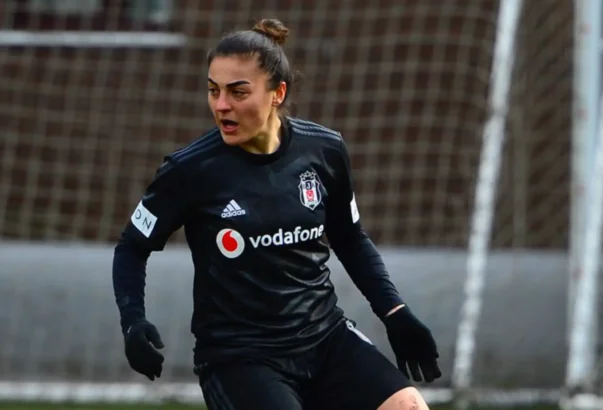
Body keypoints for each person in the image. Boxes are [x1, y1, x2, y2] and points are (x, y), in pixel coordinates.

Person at [112, 17, 441, 410]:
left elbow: (350, 238)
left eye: (238, 92)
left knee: (409, 406)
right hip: (240, 358)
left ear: (277, 93)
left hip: (326, 339)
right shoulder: (190, 170)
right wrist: (133, 321)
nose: (221, 105)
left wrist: (394, 312)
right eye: (214, 90)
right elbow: (132, 247)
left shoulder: (324, 150)